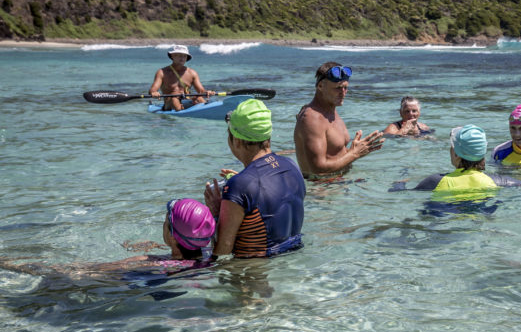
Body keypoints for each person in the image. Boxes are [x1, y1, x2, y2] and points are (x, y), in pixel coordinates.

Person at [0, 198, 216, 275]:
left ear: (171, 235)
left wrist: (14, 264)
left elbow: (87, 269)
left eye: (166, 221)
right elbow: (182, 254)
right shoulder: (209, 254)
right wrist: (160, 246)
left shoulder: (146, 263)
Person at [205, 99, 306, 259]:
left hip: (253, 271)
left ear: (236, 140)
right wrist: (242, 181)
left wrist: (216, 213)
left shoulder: (239, 186)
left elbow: (221, 250)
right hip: (292, 259)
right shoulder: (292, 167)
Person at [293, 62, 385, 179]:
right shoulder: (313, 118)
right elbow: (317, 169)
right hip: (323, 191)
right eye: (337, 88)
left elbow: (333, 154)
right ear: (320, 86)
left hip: (338, 184)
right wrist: (355, 154)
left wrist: (353, 150)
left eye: (345, 87)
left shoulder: (331, 111)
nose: (343, 93)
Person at [148, 44, 216, 111]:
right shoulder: (162, 72)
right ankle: (180, 118)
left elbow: (201, 91)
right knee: (174, 98)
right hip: (169, 103)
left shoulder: (192, 73)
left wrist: (207, 92)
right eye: (179, 55)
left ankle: (208, 113)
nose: (182, 58)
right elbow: (153, 89)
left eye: (184, 56)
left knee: (199, 98)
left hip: (186, 100)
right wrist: (154, 92)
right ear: (172, 56)